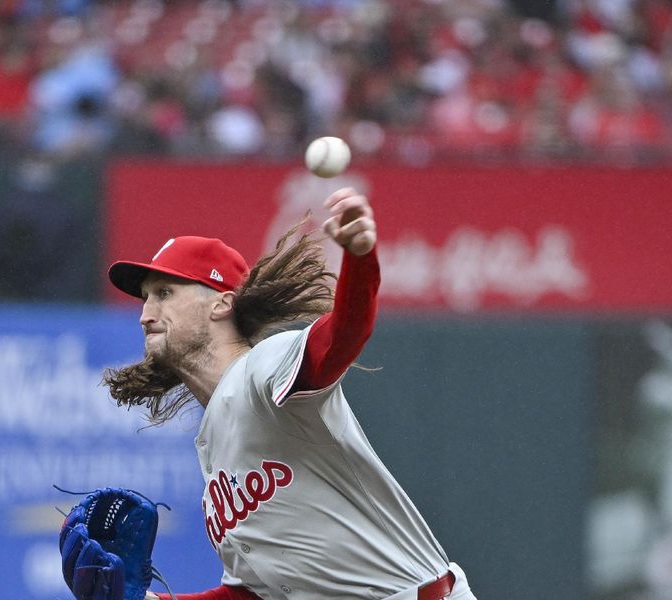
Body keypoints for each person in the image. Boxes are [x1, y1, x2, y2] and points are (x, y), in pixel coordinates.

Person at [104, 187, 476, 600]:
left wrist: (359, 260)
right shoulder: (214, 457)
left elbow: (342, 335)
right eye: (144, 299)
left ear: (221, 304)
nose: (145, 314)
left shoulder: (262, 369)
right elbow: (254, 593)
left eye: (164, 293)